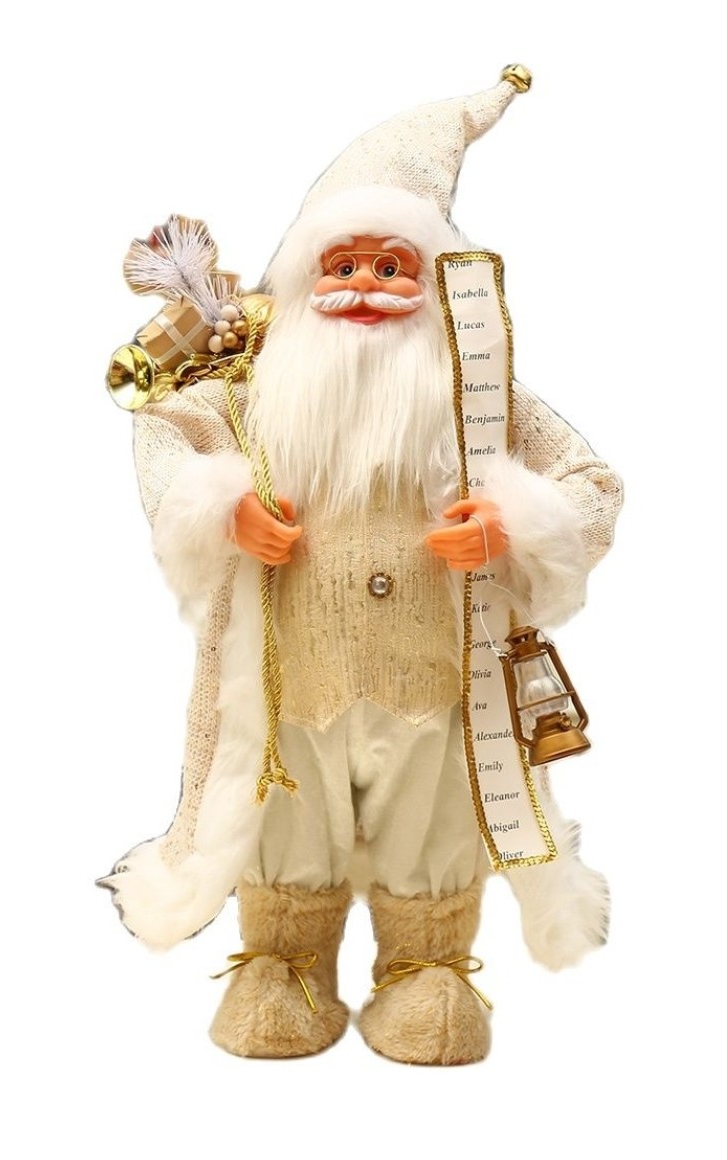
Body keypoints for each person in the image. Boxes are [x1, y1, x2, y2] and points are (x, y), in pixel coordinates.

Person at [100, 68, 622, 1065]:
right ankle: (284, 963)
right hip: (291, 681)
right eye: (342, 263)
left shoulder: (479, 396)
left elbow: (589, 480)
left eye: (393, 265)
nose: (366, 285)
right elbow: (166, 433)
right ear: (302, 279)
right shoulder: (250, 389)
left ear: (435, 283)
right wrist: (224, 506)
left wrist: (512, 521)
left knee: (435, 817)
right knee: (283, 815)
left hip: (439, 677)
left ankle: (425, 969)